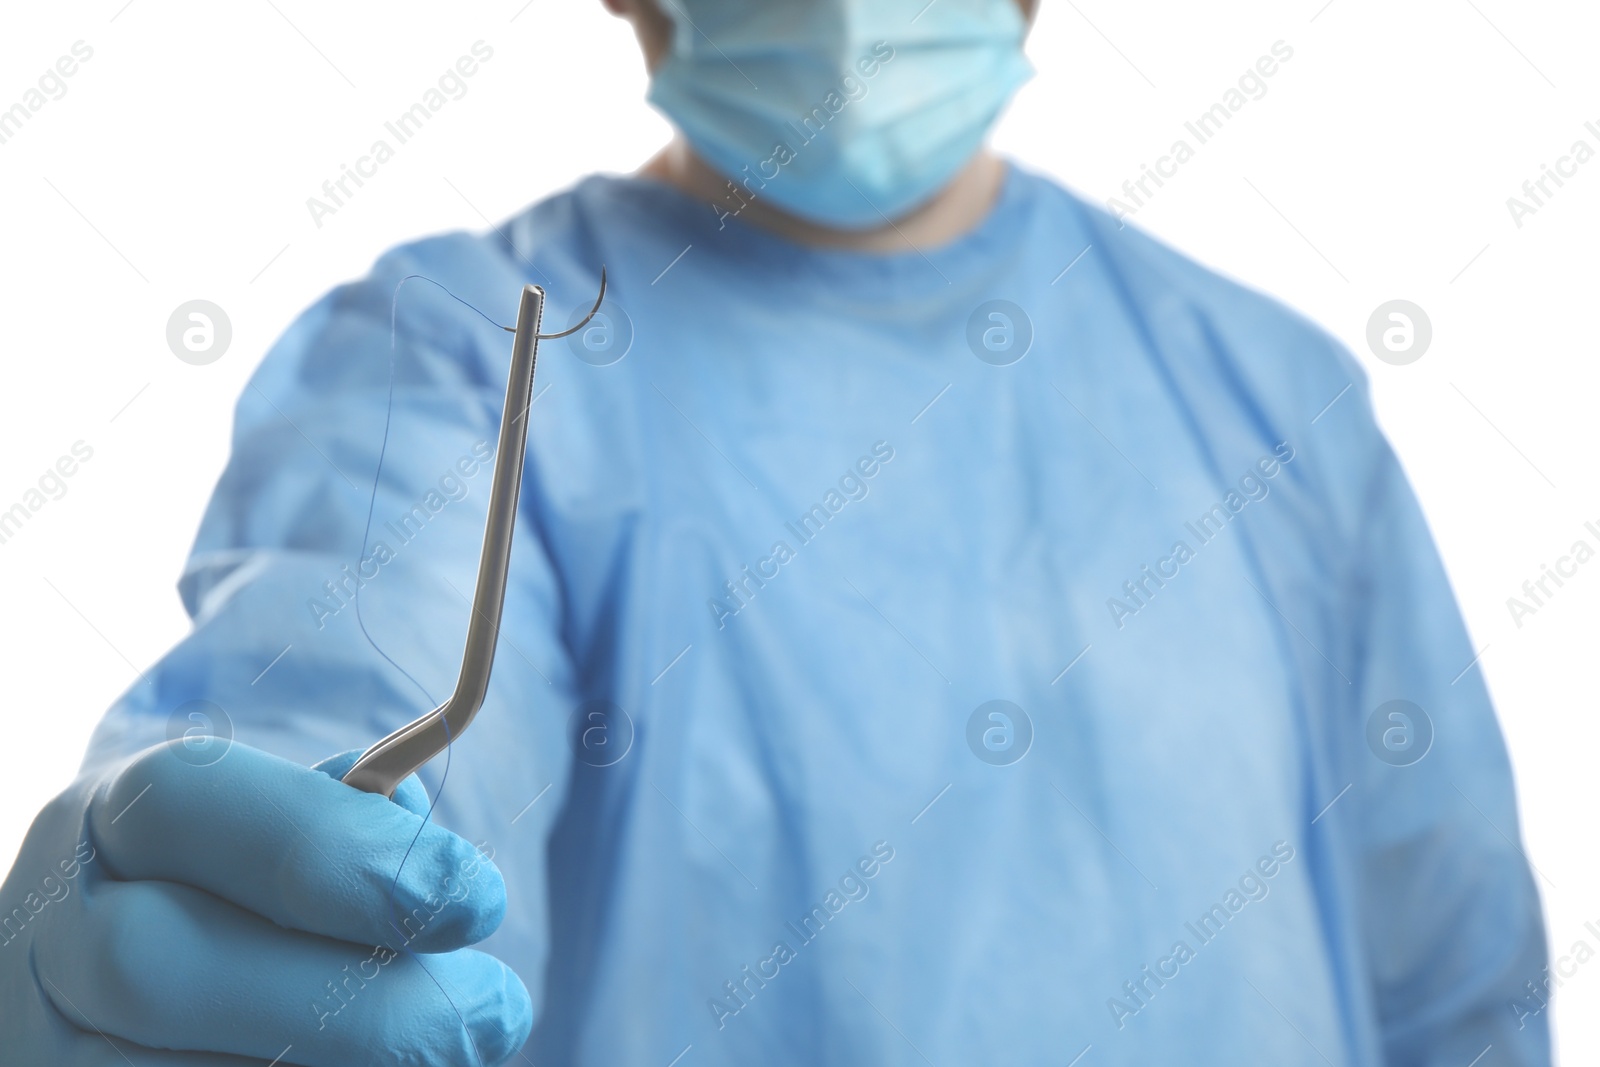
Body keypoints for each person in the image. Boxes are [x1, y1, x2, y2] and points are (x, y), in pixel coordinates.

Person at [0, 0, 1551, 1064]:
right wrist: (187, 897)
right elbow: (344, 691)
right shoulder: (468, 352)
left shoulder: (1277, 399)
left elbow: (1456, 984)